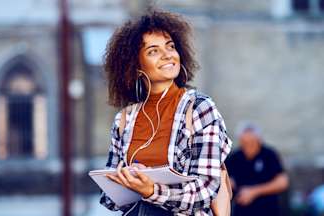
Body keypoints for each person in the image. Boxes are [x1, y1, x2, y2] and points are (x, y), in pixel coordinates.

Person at [99, 9, 232, 216]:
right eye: (153, 51)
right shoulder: (124, 119)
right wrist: (127, 179)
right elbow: (109, 199)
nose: (167, 54)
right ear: (135, 66)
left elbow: (205, 190)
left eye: (170, 47)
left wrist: (152, 190)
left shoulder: (199, 108)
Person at [225, 122, 289, 216]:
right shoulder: (234, 157)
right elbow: (226, 180)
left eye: (251, 143)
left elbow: (283, 182)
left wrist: (254, 192)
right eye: (245, 143)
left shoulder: (269, 155)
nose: (248, 147)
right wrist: (229, 184)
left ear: (259, 140)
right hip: (242, 211)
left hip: (268, 210)